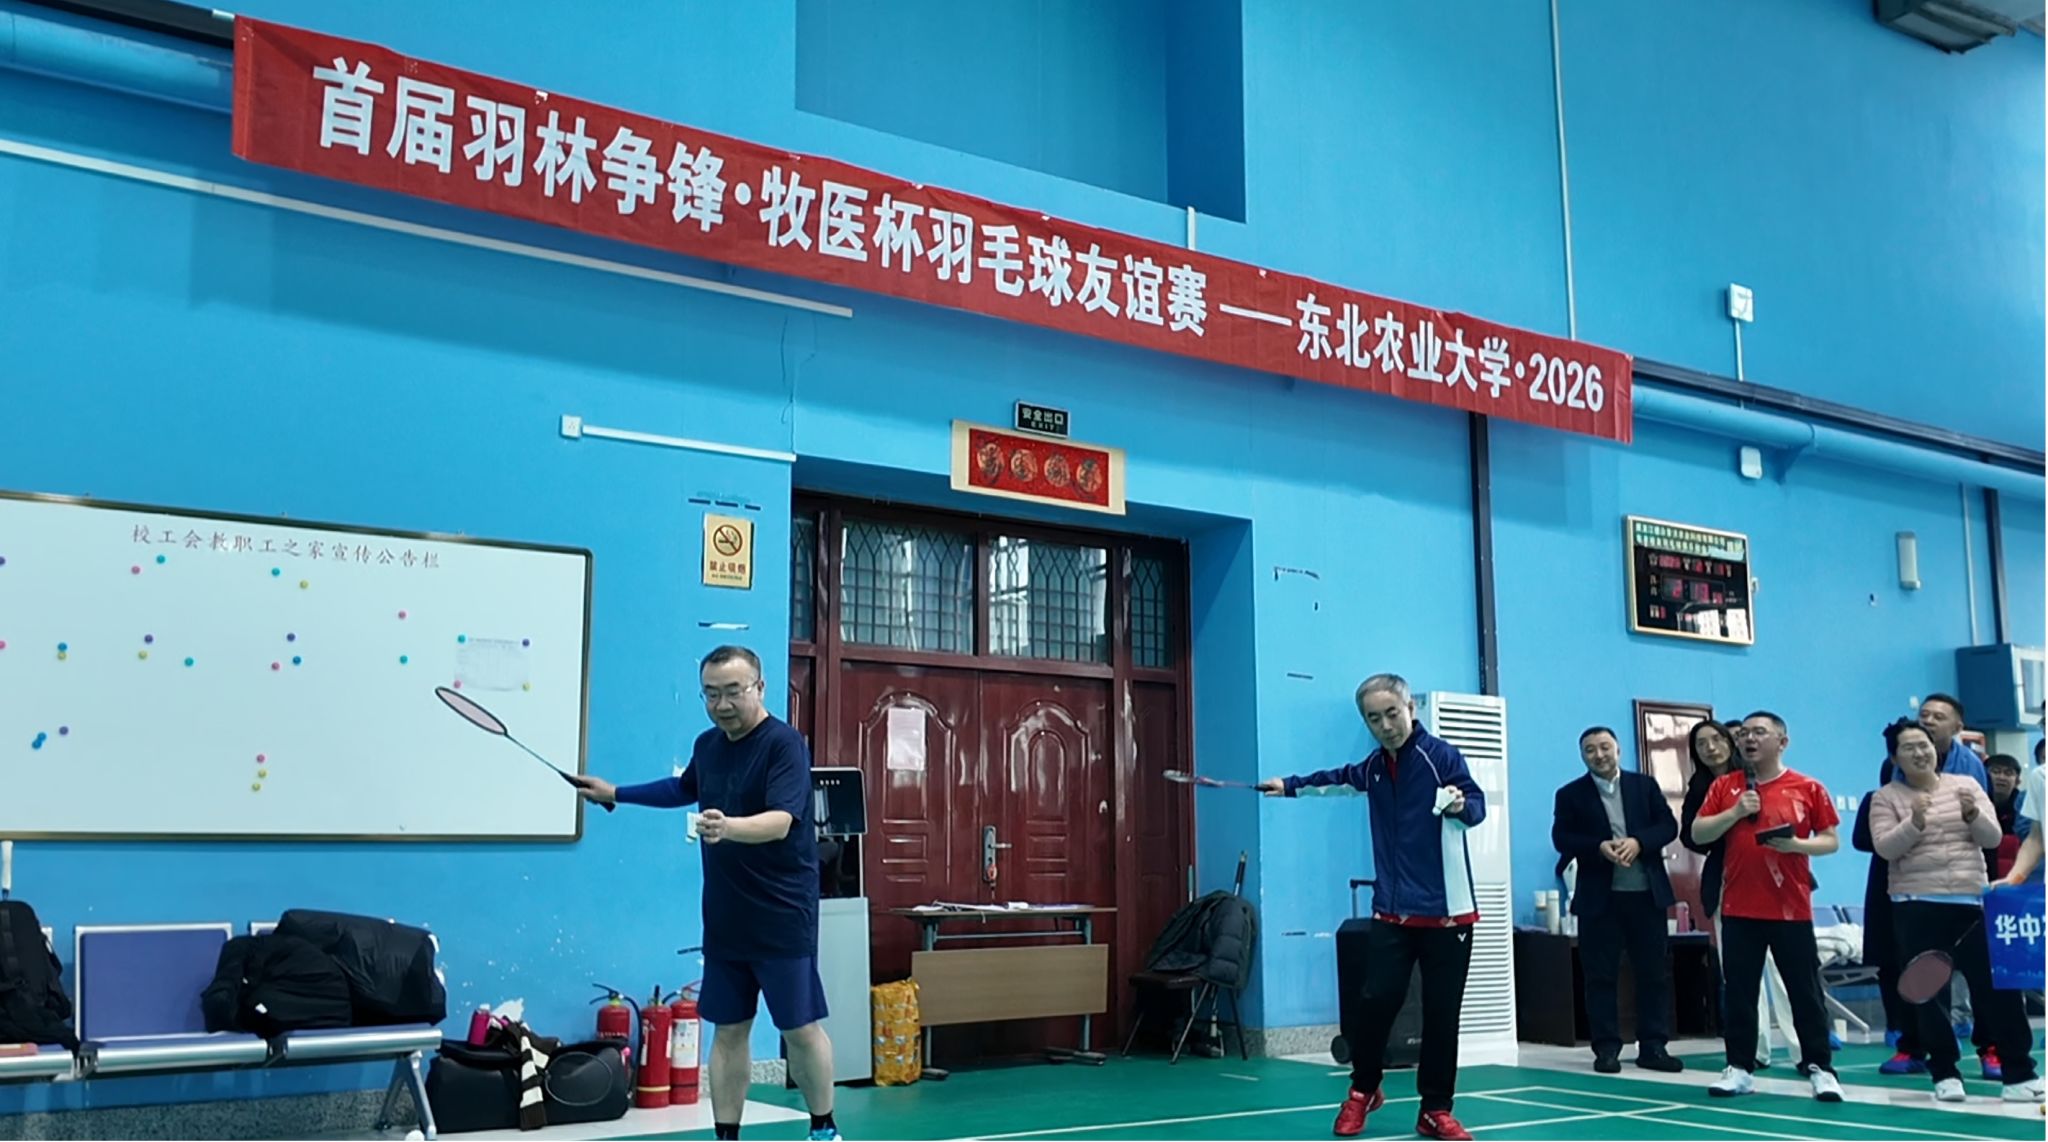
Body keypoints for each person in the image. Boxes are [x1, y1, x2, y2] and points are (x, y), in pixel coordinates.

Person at [569, 646, 841, 1142]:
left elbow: (781, 821)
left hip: (782, 916)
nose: (722, 704)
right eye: (711, 694)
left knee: (799, 1028)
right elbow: (683, 789)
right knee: (729, 1029)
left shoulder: (784, 745)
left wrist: (729, 827)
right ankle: (726, 1136)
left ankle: (824, 1128)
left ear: (759, 688)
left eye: (733, 692)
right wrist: (615, 793)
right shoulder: (708, 745)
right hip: (726, 917)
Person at [1257, 673, 1484, 1141]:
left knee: (1442, 1016)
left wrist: (1460, 806)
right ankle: (1363, 1090)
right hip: (1393, 912)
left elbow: (1477, 806)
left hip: (1449, 914)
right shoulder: (1374, 768)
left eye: (1391, 714)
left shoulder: (1441, 757)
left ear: (1410, 709)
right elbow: (1335, 780)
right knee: (1375, 1002)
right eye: (1373, 718)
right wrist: (1288, 785)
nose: (1385, 725)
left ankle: (1435, 1109)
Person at [1867, 719, 2042, 1104]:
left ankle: (2019, 1073)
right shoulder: (1886, 798)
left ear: (1936, 750)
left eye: (1924, 745)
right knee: (1929, 995)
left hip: (1971, 902)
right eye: (1909, 747)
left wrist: (1973, 815)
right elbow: (1885, 848)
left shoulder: (1967, 785)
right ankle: (1945, 1073)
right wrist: (1914, 821)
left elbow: (1991, 839)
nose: (1919, 752)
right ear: (1895, 758)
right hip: (1916, 906)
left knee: (1999, 990)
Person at [1690, 711, 1844, 1101]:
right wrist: (1735, 812)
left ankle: (1820, 1068)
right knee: (1740, 992)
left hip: (1791, 908)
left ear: (1782, 742)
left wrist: (1797, 846)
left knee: (1804, 992)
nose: (1749, 739)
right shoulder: (1725, 786)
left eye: (1760, 732)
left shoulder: (1807, 787)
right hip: (1739, 907)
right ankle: (1739, 1068)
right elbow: (1697, 831)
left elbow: (1830, 840)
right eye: (1744, 734)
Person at [1550, 726, 1684, 1074]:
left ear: (1618, 749)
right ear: (1582, 756)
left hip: (1647, 896)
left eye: (1605, 747)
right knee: (1600, 977)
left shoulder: (1644, 786)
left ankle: (1653, 1047)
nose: (1599, 755)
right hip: (1600, 900)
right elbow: (1562, 838)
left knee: (1653, 974)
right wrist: (1598, 847)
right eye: (1590, 750)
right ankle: (1607, 1049)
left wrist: (1639, 842)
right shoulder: (1570, 794)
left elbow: (1668, 826)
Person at [1681, 720, 1795, 1070]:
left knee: (1783, 968)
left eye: (1717, 739)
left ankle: (1803, 1048)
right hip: (1726, 882)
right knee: (1740, 972)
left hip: (1773, 878)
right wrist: (1728, 822)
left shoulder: (1755, 775)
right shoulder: (1700, 788)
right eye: (1701, 744)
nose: (1710, 748)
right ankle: (1754, 1049)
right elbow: (1691, 836)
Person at [1986, 754, 2024, 881]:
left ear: (2017, 781)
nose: (2001, 777)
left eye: (2008, 773)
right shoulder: (1976, 804)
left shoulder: (2023, 808)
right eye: (1995, 771)